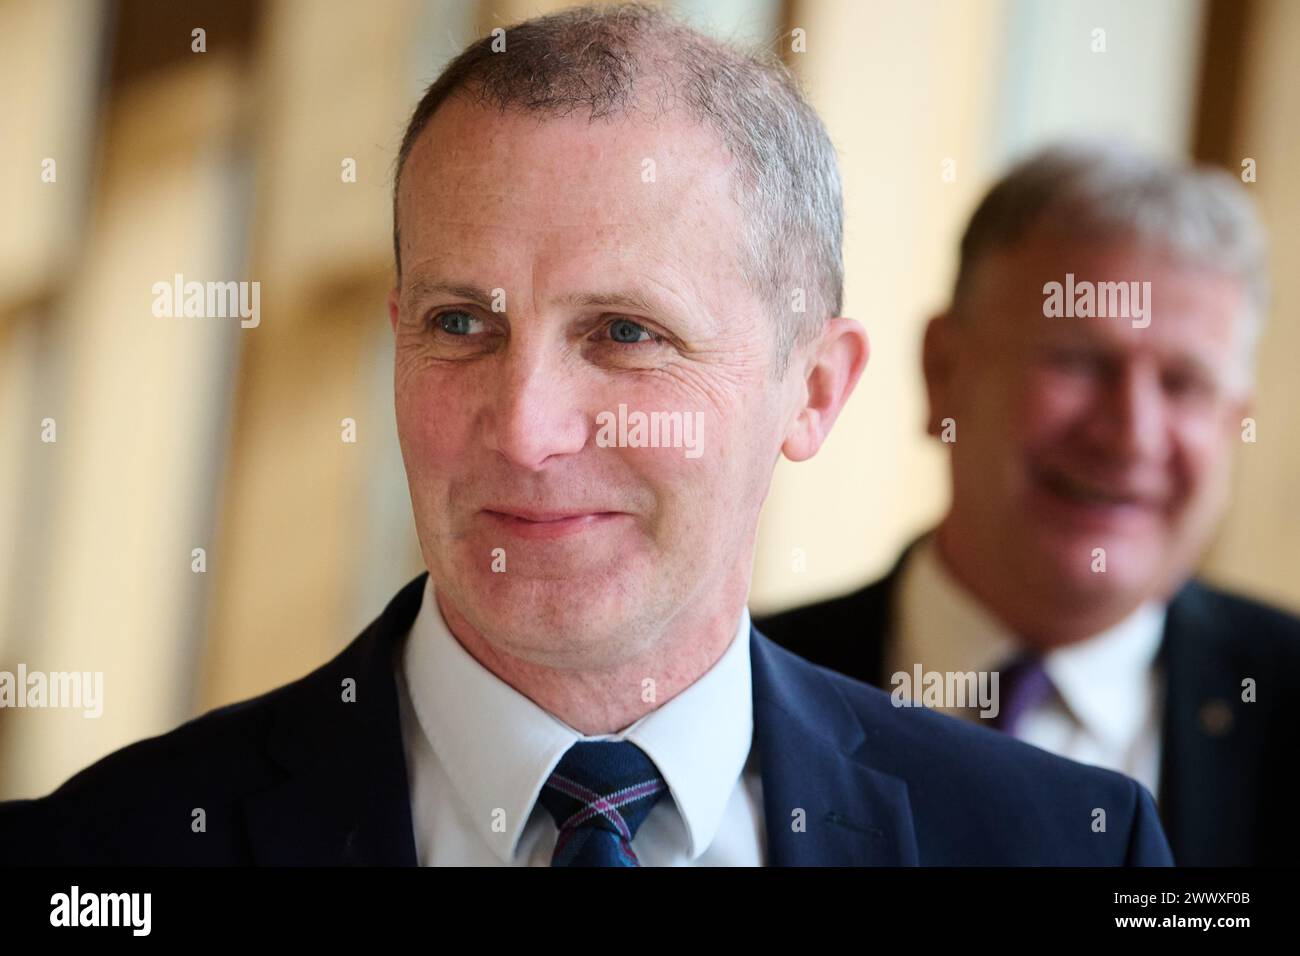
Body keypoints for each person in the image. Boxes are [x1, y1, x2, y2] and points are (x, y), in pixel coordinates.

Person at [0, 5, 1170, 866]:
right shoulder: (98, 858)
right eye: (463, 323)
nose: (527, 427)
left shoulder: (1064, 846)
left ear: (812, 390)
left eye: (624, 331)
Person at [757, 141, 1299, 866]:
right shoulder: (740, 689)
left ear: (1237, 420)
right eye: (1077, 360)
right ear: (943, 372)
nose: (1131, 434)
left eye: (1183, 384)